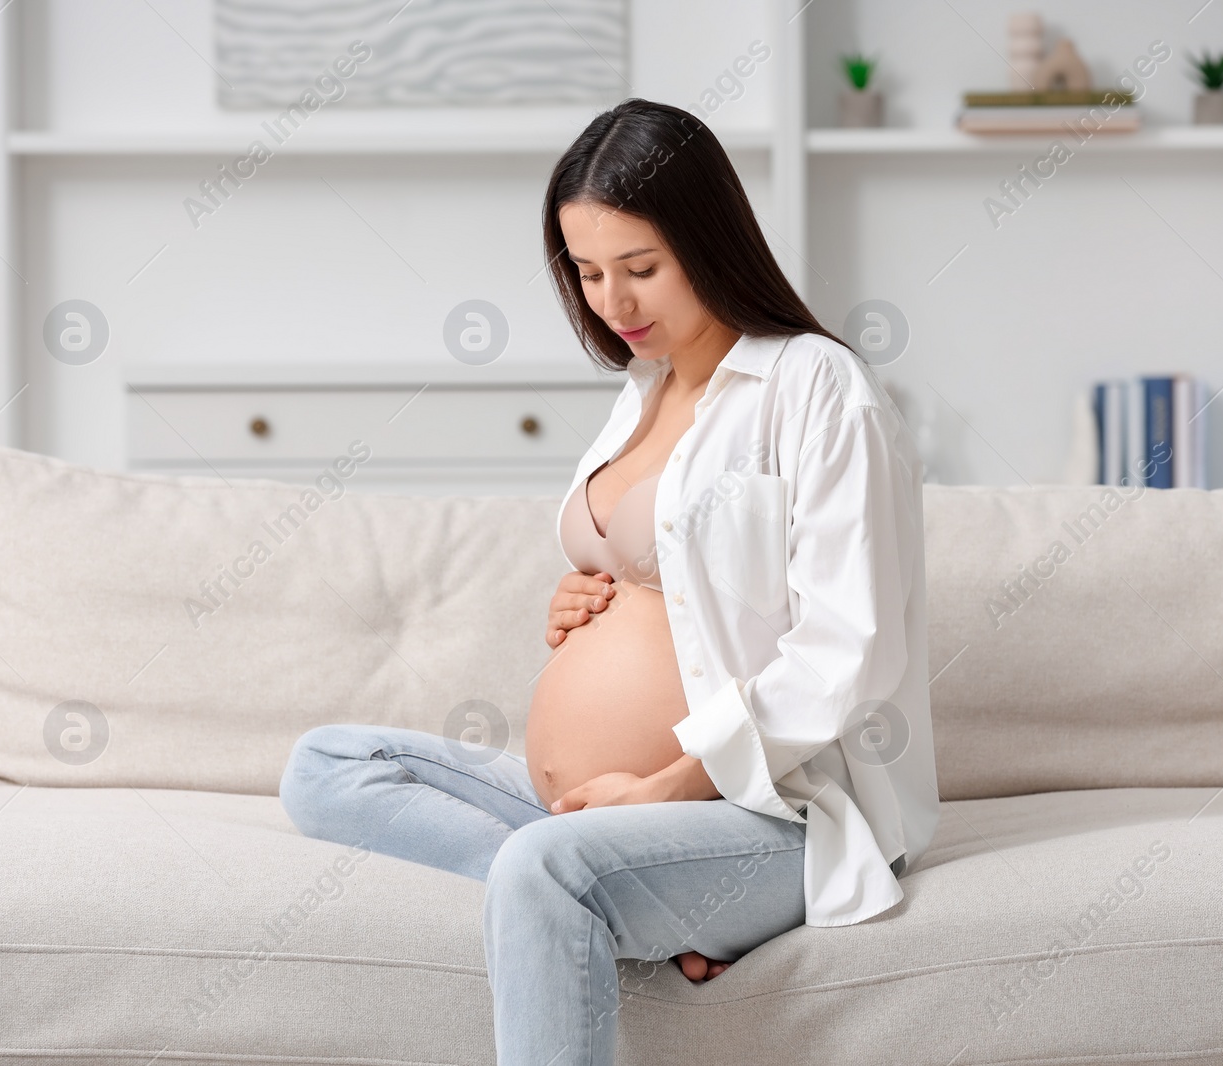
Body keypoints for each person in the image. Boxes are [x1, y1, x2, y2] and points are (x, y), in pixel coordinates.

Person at [279, 97, 939, 1066]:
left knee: (548, 869)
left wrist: (674, 787)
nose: (613, 303)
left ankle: (576, 887)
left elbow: (851, 644)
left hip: (765, 812)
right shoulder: (646, 387)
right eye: (586, 273)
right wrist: (583, 594)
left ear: (712, 242)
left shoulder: (814, 385)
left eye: (640, 269)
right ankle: (619, 896)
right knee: (326, 765)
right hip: (603, 806)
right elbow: (662, 577)